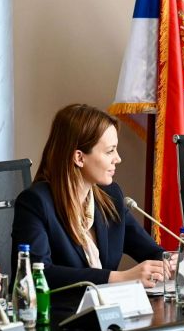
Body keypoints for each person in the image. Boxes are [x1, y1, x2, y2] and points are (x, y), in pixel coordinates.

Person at [11, 104, 166, 307]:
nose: (118, 159)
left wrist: (166, 262)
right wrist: (118, 278)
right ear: (79, 157)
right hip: (57, 317)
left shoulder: (111, 196)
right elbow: (37, 274)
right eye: (110, 151)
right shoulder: (35, 203)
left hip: (107, 313)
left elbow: (150, 251)